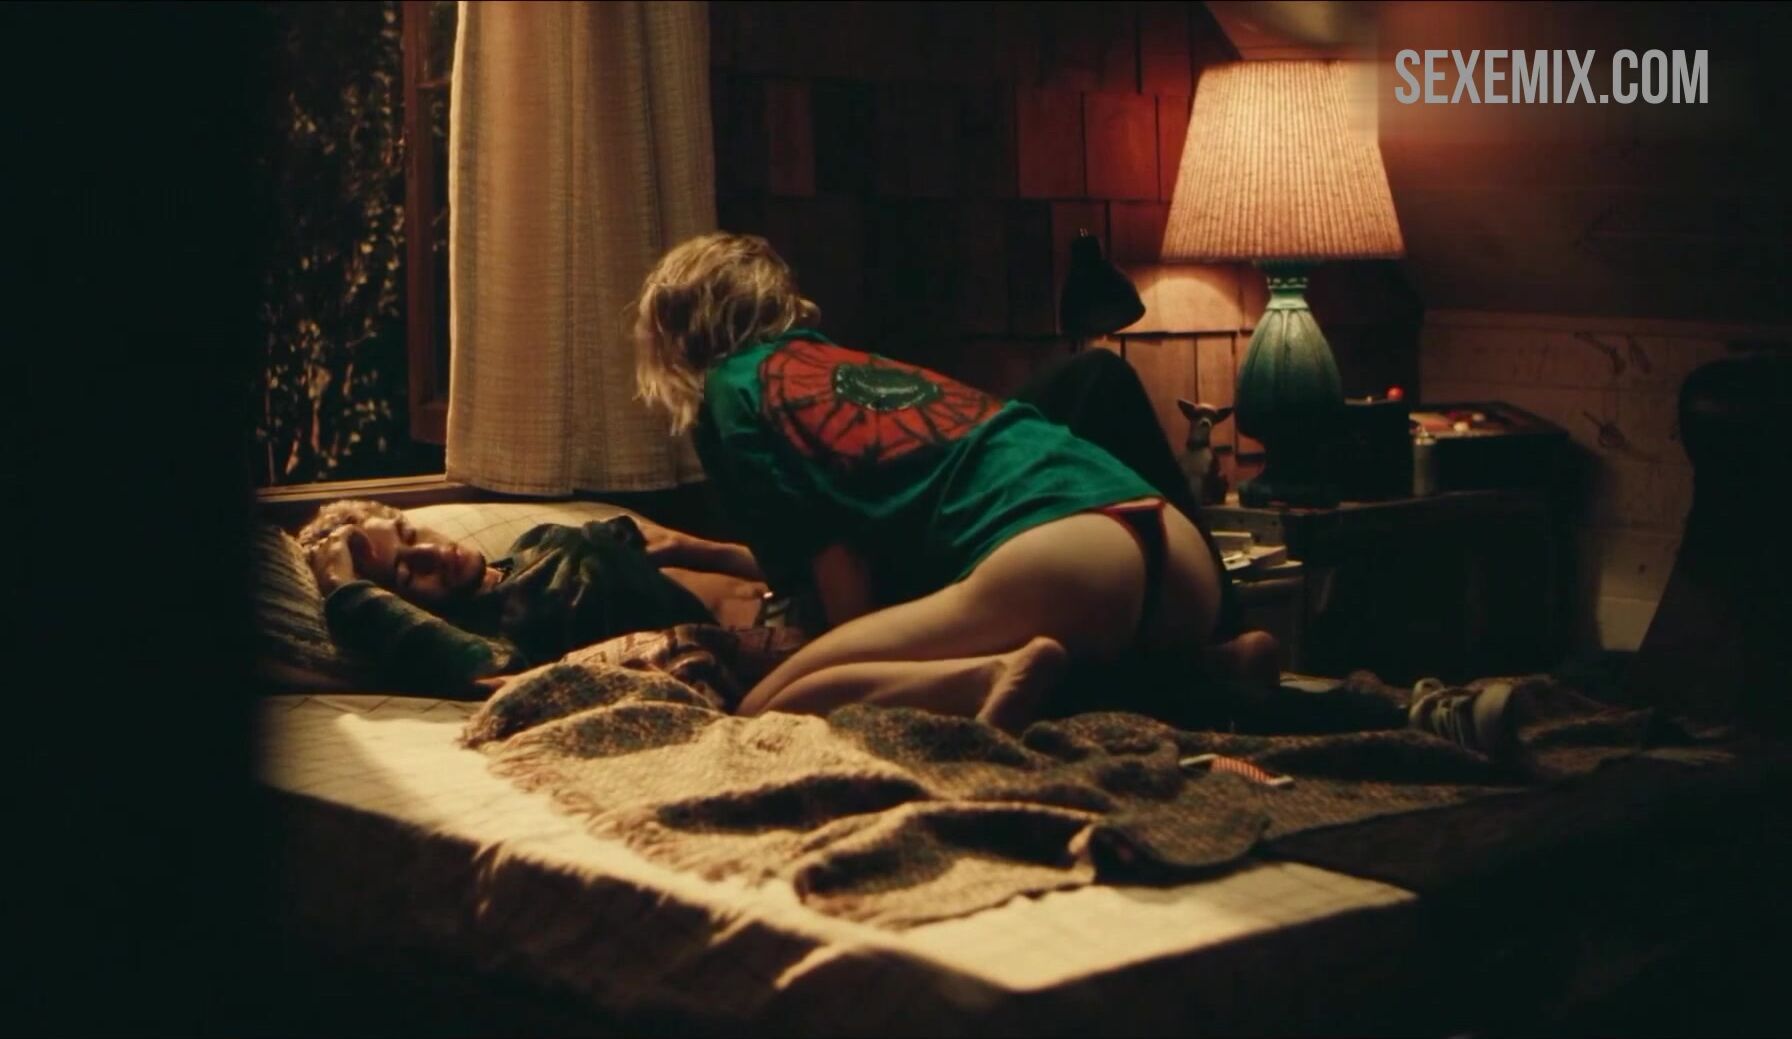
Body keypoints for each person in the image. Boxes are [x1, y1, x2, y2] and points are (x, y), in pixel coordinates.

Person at [632, 232, 1254, 732]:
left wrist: (852, 655)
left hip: (1053, 561)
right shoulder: (843, 367)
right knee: (1084, 668)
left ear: (676, 327)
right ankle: (1211, 670)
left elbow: (840, 574)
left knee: (766, 711)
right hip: (1175, 556)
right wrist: (699, 550)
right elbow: (851, 531)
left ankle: (990, 677)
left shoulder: (732, 389)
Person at [299, 502, 724, 694]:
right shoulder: (492, 634)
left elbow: (680, 549)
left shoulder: (536, 541)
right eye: (407, 572)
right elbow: (494, 670)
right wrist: (341, 586)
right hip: (738, 660)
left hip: (762, 586)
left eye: (409, 534)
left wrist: (716, 553)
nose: (430, 552)